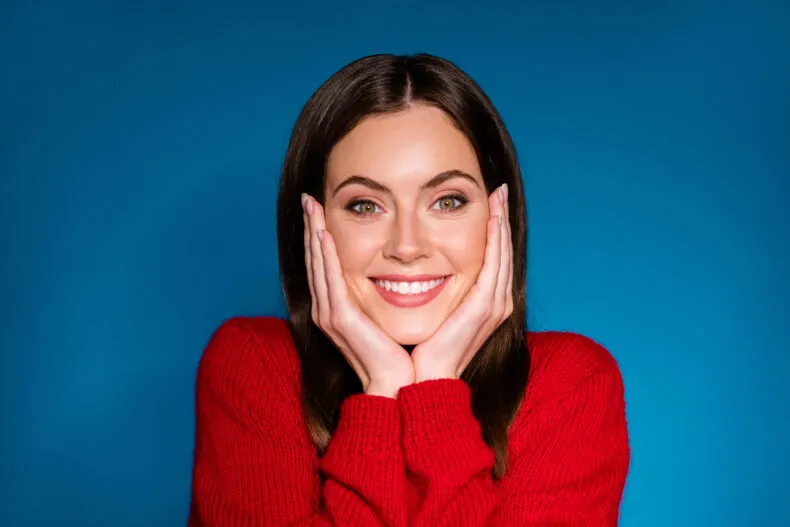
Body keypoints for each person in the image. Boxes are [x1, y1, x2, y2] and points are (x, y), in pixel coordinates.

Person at [188, 53, 630, 526]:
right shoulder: (254, 365)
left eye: (447, 200)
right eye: (364, 206)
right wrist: (381, 395)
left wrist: (436, 386)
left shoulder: (570, 384)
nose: (406, 246)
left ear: (498, 215)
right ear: (314, 224)